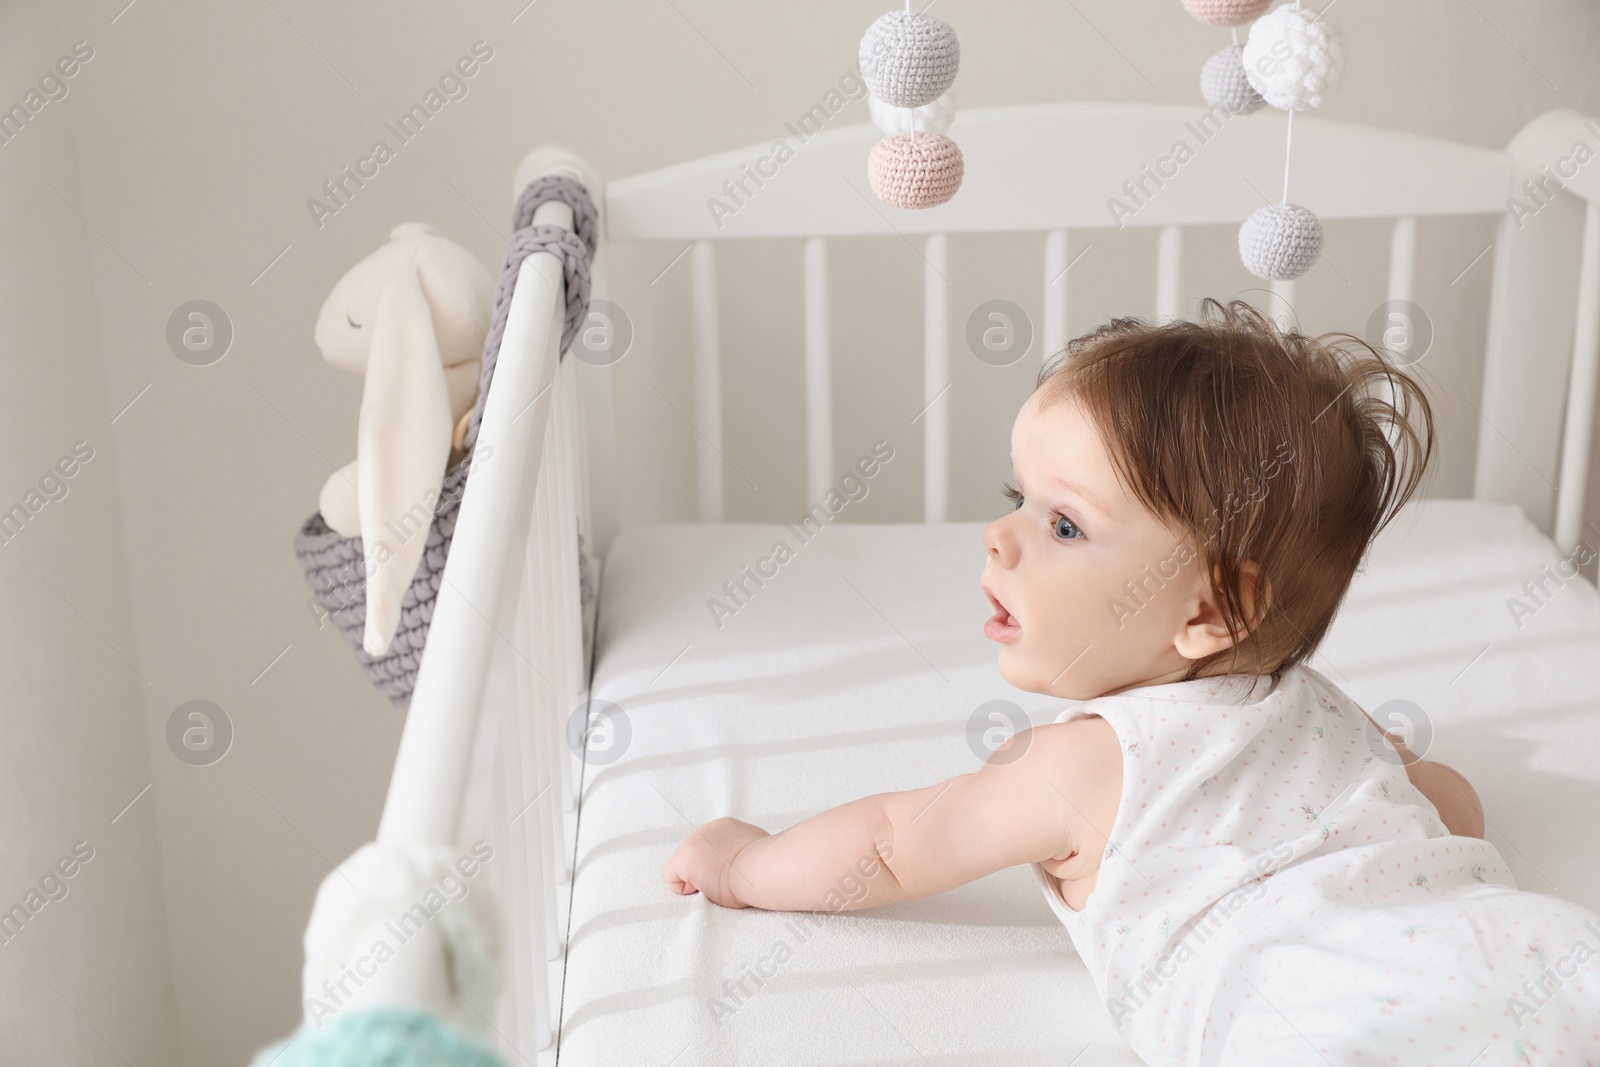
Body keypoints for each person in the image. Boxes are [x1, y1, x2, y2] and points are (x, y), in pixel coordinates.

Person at [663, 299, 1600, 1064]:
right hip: (1530, 948)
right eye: (1016, 500)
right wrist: (1393, 766)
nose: (1002, 537)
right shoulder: (1327, 716)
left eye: (1065, 525)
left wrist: (743, 864)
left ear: (1211, 614)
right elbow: (1459, 813)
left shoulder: (1085, 761)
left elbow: (890, 844)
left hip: (1316, 1012)